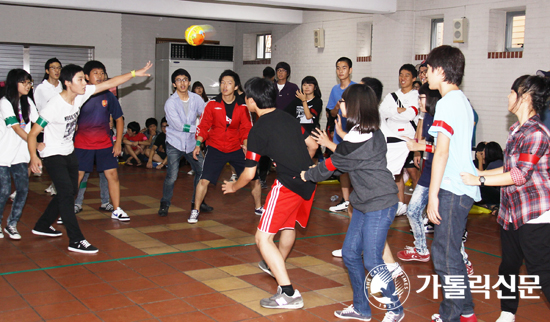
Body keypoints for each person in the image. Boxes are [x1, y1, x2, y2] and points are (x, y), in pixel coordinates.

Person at [302, 84, 404, 322]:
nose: (340, 106)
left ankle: (395, 308)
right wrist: (334, 141)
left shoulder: (361, 137)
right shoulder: (368, 131)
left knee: (371, 258)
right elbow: (347, 151)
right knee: (349, 254)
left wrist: (307, 175)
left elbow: (334, 164)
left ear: (355, 106)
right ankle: (362, 308)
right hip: (362, 202)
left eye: (344, 102)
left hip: (380, 203)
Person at [28, 61, 153, 253]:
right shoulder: (53, 106)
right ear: (68, 83)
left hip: (69, 151)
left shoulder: (80, 95)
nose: (84, 83)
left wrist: (135, 73)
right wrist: (34, 156)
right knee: (68, 195)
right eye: (80, 79)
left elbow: (110, 83)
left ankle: (43, 225)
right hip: (53, 155)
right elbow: (33, 133)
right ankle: (76, 240)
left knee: (68, 193)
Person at [461, 74, 550, 322]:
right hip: (511, 211)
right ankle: (507, 312)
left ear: (525, 97)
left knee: (541, 272)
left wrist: (478, 180)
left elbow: (519, 175)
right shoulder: (517, 130)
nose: (508, 97)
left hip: (535, 214)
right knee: (508, 267)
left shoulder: (537, 133)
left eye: (512, 92)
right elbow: (507, 168)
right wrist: (479, 172)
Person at [222, 77, 316, 310]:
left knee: (262, 238)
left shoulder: (258, 130)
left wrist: (232, 187)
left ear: (251, 102)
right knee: (287, 226)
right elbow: (312, 146)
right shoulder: (290, 118)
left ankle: (289, 293)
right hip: (308, 182)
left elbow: (249, 174)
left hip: (288, 184)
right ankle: (274, 264)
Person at [424, 45, 480, 322]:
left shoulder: (447, 103)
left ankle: (452, 315)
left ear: (441, 71)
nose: (425, 75)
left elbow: (442, 152)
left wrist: (432, 195)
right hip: (461, 188)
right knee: (452, 253)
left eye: (428, 70)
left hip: (452, 188)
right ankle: (465, 308)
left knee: (445, 256)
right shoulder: (462, 101)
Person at [192, 70, 262, 223]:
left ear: (236, 86)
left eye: (229, 83)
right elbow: (203, 126)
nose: (225, 86)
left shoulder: (243, 106)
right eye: (222, 82)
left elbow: (246, 129)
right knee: (204, 180)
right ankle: (195, 210)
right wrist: (198, 144)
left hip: (236, 148)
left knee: (254, 178)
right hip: (216, 147)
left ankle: (258, 207)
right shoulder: (211, 104)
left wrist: (245, 145)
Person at [73, 60, 128, 221]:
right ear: (86, 76)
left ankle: (116, 209)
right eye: (95, 73)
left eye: (102, 73)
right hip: (83, 143)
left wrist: (118, 142)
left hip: (105, 143)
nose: (100, 76)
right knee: (77, 176)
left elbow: (118, 119)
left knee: (112, 175)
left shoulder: (108, 95)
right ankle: (68, 208)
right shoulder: (79, 94)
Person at [158, 69, 213, 217]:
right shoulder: (170, 103)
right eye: (178, 80)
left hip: (191, 144)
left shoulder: (197, 99)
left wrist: (207, 126)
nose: (182, 83)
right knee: (172, 176)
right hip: (174, 143)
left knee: (202, 172)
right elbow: (179, 126)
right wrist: (199, 128)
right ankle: (165, 203)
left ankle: (198, 202)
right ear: (173, 84)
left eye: (184, 80)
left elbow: (205, 115)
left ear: (189, 82)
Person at [396, 82, 441, 262]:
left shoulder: (442, 117)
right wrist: (417, 147)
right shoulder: (427, 115)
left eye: (421, 98)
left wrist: (419, 146)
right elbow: (423, 139)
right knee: (413, 210)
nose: (419, 101)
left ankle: (463, 258)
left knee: (444, 220)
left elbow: (441, 148)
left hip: (442, 175)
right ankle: (421, 249)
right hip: (429, 171)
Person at [0, 69, 38, 240]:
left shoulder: (28, 102)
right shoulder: (4, 102)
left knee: (22, 189)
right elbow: (15, 128)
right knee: (4, 190)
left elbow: (40, 122)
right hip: (3, 154)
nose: (28, 86)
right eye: (25, 82)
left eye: (30, 82)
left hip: (21, 155)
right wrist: (35, 143)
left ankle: (12, 224)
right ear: (14, 83)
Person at [379, 63, 420, 217]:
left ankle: (418, 207)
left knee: (414, 173)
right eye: (401, 75)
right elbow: (382, 112)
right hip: (392, 140)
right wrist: (398, 110)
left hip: (409, 139)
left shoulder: (416, 96)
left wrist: (393, 112)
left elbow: (409, 115)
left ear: (414, 78)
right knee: (397, 173)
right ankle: (401, 204)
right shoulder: (391, 96)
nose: (403, 78)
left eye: (407, 75)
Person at [327, 57, 356, 219]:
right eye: (338, 68)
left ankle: (356, 199)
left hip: (353, 133)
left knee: (354, 166)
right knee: (342, 168)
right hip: (339, 133)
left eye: (344, 68)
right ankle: (345, 200)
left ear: (350, 70)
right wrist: (337, 107)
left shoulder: (356, 88)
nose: (341, 71)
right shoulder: (334, 89)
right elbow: (331, 113)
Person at [34, 57, 63, 194]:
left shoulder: (63, 86)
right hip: (47, 128)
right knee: (48, 157)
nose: (56, 71)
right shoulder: (41, 88)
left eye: (58, 68)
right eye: (53, 68)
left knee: (60, 158)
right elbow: (38, 110)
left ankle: (55, 185)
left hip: (61, 128)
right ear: (47, 71)